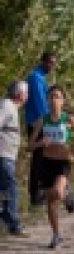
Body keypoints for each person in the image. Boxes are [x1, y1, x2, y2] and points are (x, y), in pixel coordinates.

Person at [27, 86, 74, 249]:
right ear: (47, 100)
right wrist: (40, 143)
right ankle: (56, 235)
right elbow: (29, 146)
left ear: (63, 101)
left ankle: (66, 191)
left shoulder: (68, 119)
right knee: (51, 202)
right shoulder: (42, 121)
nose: (54, 100)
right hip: (47, 163)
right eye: (52, 97)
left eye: (58, 97)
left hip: (63, 162)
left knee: (58, 192)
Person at [24, 51, 57, 207]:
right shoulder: (36, 78)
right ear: (43, 62)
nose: (52, 66)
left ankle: (41, 191)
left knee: (43, 158)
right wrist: (48, 121)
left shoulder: (40, 77)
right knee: (38, 158)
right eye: (49, 62)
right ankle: (35, 194)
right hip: (37, 123)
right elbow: (40, 104)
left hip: (41, 122)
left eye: (54, 63)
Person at [0, 80, 29, 238]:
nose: (28, 96)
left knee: (4, 190)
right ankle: (13, 224)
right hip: (3, 155)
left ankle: (6, 218)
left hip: (7, 156)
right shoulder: (7, 106)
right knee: (11, 189)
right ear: (20, 94)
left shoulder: (12, 108)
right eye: (26, 93)